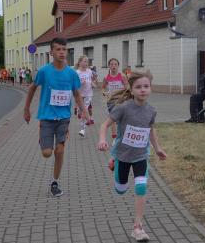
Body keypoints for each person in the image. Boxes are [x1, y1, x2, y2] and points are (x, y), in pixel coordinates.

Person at [97, 71, 167, 242]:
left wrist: (157, 148)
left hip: (141, 155)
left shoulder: (151, 110)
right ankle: (114, 163)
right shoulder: (123, 108)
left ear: (150, 88)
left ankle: (137, 226)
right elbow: (105, 125)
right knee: (120, 189)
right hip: (122, 155)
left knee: (141, 187)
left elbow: (150, 130)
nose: (143, 90)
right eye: (138, 87)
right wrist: (102, 139)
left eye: (146, 86)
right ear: (131, 89)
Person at [23, 37, 90, 197]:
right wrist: (26, 109)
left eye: (64, 49)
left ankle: (55, 182)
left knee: (59, 151)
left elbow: (76, 93)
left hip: (63, 118)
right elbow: (32, 88)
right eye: (58, 49)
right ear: (51, 52)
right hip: (46, 117)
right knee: (47, 153)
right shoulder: (44, 71)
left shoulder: (71, 73)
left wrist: (84, 110)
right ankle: (43, 139)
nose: (61, 52)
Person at [102, 58, 127, 140]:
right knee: (112, 118)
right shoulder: (106, 77)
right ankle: (114, 138)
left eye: (115, 64)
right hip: (111, 101)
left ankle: (122, 135)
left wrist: (123, 94)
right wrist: (105, 93)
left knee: (121, 119)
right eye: (111, 64)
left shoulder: (122, 76)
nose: (113, 66)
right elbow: (103, 88)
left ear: (118, 66)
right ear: (109, 66)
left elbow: (127, 88)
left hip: (121, 100)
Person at [75, 55, 98, 137]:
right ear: (80, 62)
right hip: (79, 94)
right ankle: (85, 120)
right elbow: (74, 84)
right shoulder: (77, 73)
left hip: (88, 94)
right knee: (81, 111)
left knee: (85, 110)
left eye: (87, 61)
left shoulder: (89, 71)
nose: (86, 63)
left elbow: (93, 79)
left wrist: (93, 83)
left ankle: (82, 129)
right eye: (84, 61)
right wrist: (81, 83)